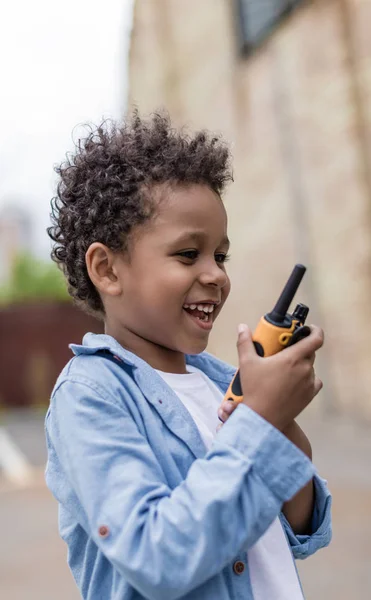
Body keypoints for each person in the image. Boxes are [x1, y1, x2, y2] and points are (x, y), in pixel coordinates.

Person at [45, 111, 332, 600]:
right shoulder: (89, 396)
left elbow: (300, 529)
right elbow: (157, 557)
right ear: (107, 269)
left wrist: (280, 425)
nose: (216, 274)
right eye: (187, 254)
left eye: (220, 256)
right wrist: (259, 423)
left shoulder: (220, 380)